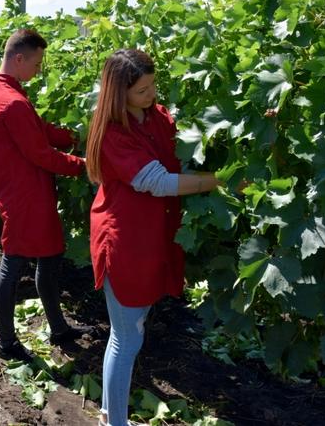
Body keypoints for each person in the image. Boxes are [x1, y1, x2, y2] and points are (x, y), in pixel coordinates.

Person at [85, 49, 223, 426]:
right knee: (126, 339)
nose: (152, 94)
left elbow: (188, 149)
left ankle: (111, 412)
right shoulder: (115, 133)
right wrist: (219, 181)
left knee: (135, 329)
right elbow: (158, 182)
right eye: (142, 90)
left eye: (153, 85)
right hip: (126, 241)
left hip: (152, 236)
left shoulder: (156, 116)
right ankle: (114, 421)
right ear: (120, 93)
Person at [0, 29, 87, 362]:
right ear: (18, 59)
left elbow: (40, 131)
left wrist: (73, 137)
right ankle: (6, 342)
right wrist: (84, 165)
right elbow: (40, 153)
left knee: (50, 255)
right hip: (24, 195)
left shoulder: (6, 91)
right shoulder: (10, 101)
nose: (39, 70)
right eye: (37, 63)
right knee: (12, 264)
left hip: (30, 191)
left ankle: (58, 328)